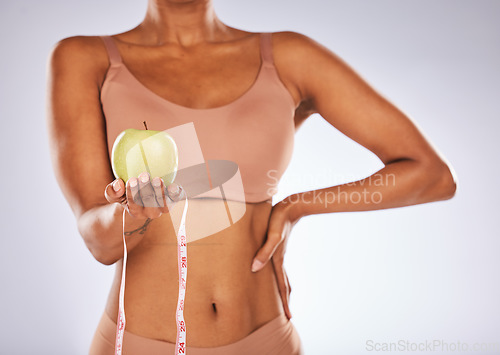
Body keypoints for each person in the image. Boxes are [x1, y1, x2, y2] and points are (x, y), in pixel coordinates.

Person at [46, 0, 458, 353]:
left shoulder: (286, 55)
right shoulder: (86, 58)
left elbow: (431, 174)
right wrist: (132, 215)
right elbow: (98, 240)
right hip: (140, 343)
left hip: (268, 341)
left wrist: (297, 206)